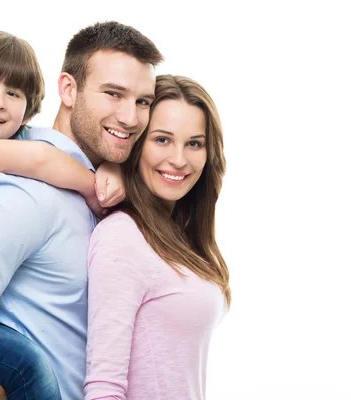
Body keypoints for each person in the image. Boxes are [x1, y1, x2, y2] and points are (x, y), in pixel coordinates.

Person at [0, 21, 163, 400]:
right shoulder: (23, 196)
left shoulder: (106, 183)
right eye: (113, 94)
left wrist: (116, 168)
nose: (130, 117)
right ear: (68, 90)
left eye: (143, 102)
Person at [84, 74, 232, 400]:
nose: (179, 160)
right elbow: (104, 388)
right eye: (162, 139)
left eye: (194, 143)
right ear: (136, 143)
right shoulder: (122, 237)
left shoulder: (179, 236)